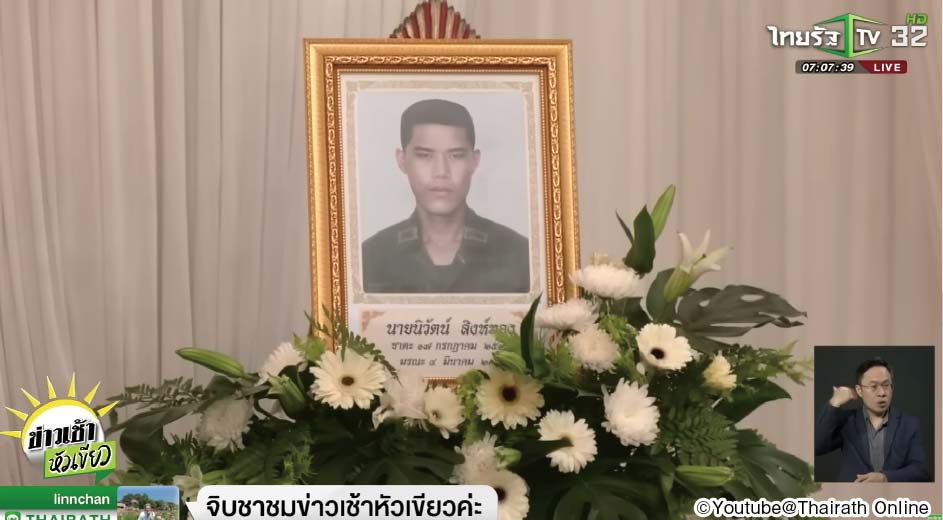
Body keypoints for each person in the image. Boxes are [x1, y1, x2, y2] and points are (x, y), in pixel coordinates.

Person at [361, 98, 530, 293]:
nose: (441, 172)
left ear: (474, 161)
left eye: (456, 155)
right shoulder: (370, 258)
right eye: (424, 155)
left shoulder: (519, 255)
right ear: (402, 160)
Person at [814, 357, 929, 482]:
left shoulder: (909, 424)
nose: (882, 393)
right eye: (873, 386)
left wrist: (885, 477)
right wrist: (834, 402)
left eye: (886, 385)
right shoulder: (847, 421)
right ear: (859, 390)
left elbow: (920, 470)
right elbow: (817, 447)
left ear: (892, 388)